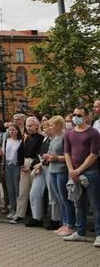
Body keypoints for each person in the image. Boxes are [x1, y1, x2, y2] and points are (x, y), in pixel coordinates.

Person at [62, 106, 100, 247]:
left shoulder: (94, 133)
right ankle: (80, 232)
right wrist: (72, 171)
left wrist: (78, 171)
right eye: (74, 114)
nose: (75, 117)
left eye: (79, 115)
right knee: (79, 204)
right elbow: (67, 153)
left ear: (86, 117)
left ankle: (99, 234)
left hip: (90, 173)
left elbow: (93, 155)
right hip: (74, 173)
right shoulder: (69, 133)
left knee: (96, 205)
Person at [10, 116, 44, 224]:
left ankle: (36, 215)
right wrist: (21, 164)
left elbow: (40, 153)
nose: (29, 128)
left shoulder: (40, 138)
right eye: (27, 126)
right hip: (24, 164)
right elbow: (20, 152)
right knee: (22, 191)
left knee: (35, 192)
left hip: (35, 165)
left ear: (36, 126)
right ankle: (20, 214)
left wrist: (31, 166)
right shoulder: (25, 137)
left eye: (31, 126)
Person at [27, 120, 61, 228]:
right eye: (44, 127)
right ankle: (37, 217)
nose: (45, 129)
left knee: (53, 195)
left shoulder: (57, 139)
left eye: (48, 127)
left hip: (51, 168)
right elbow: (39, 154)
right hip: (41, 169)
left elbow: (53, 155)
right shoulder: (45, 139)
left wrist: (41, 164)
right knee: (34, 193)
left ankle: (55, 219)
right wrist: (37, 164)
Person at [46, 116, 74, 236]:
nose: (50, 127)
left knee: (66, 199)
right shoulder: (54, 137)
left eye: (52, 125)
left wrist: (57, 158)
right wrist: (48, 157)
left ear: (58, 125)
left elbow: (69, 156)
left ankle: (70, 225)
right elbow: (53, 153)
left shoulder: (65, 136)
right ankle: (64, 223)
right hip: (52, 170)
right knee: (59, 199)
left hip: (61, 171)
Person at [2, 124, 22, 219]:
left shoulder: (20, 141)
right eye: (9, 130)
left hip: (16, 166)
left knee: (17, 189)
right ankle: (12, 209)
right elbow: (3, 154)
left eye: (13, 130)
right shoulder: (6, 141)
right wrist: (3, 166)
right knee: (10, 189)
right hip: (8, 166)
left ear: (17, 131)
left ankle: (19, 210)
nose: (11, 132)